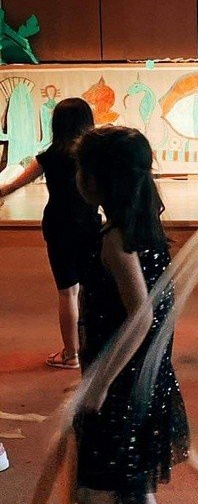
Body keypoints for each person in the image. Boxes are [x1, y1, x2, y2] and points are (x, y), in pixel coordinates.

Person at [74, 126, 189, 504]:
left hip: (126, 385)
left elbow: (140, 319)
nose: (77, 178)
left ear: (101, 182)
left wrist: (99, 384)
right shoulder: (144, 228)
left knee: (135, 484)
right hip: (145, 379)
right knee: (130, 476)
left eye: (82, 170)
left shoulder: (116, 242)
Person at [0, 98, 98, 369]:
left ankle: (71, 355)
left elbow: (13, 185)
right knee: (90, 290)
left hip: (58, 226)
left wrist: (1, 192)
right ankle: (93, 349)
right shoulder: (92, 157)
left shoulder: (49, 157)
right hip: (89, 225)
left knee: (67, 292)